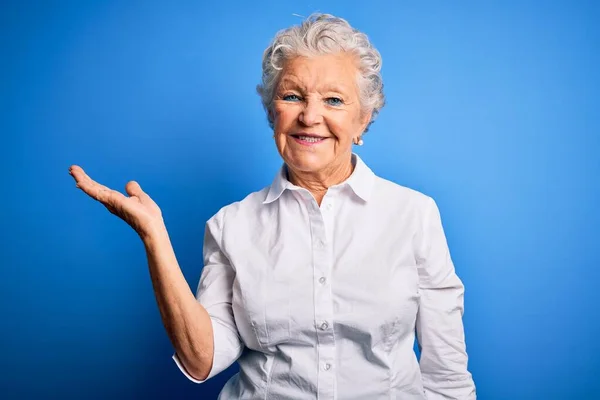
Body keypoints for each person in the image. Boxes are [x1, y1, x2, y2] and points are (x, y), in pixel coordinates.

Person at [69, 13, 476, 400]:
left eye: (334, 100)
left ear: (363, 119)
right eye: (293, 96)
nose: (310, 116)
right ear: (272, 112)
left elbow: (447, 378)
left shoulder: (414, 215)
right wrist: (154, 236)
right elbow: (201, 359)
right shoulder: (231, 226)